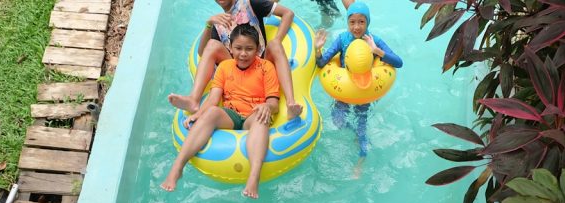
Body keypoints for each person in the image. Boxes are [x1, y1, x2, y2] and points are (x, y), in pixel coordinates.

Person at [161, 24, 278, 199]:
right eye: (238, 48)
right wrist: (198, 115)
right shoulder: (224, 67)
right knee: (211, 112)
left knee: (262, 119)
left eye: (249, 49)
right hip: (231, 115)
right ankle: (177, 168)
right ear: (230, 48)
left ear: (258, 49)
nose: (243, 54)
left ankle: (253, 178)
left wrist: (266, 107)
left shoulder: (266, 67)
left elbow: (274, 103)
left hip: (253, 115)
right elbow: (214, 99)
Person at [168, 0, 303, 122]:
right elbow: (203, 53)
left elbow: (288, 13)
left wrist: (277, 40)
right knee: (212, 45)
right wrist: (209, 24)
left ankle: (290, 103)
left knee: (275, 44)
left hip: (260, 61)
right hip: (235, 67)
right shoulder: (218, 23)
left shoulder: (251, 3)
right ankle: (193, 99)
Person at [313, 1, 402, 160]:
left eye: (361, 22)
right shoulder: (342, 39)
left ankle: (362, 155)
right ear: (347, 22)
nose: (356, 27)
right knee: (338, 121)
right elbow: (321, 63)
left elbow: (398, 62)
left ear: (368, 22)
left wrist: (376, 51)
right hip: (344, 87)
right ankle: (353, 133)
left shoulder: (374, 40)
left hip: (365, 89)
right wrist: (318, 49)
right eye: (352, 22)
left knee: (362, 127)